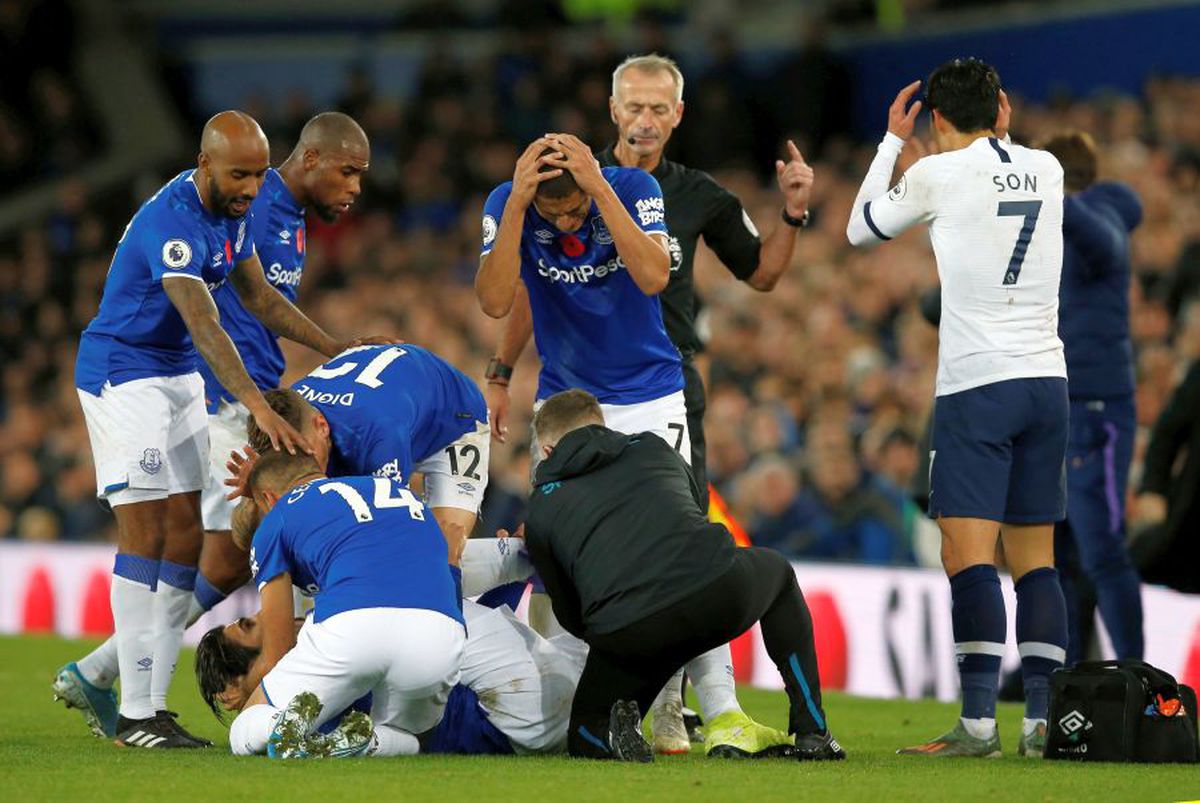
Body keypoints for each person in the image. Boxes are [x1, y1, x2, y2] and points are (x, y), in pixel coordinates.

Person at [60, 111, 386, 749]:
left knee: (186, 537)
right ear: (204, 163)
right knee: (149, 531)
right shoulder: (171, 225)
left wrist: (333, 346)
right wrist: (257, 407)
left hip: (178, 374)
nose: (251, 187)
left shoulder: (237, 215)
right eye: (239, 174)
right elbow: (205, 321)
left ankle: (148, 707)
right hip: (126, 374)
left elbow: (259, 298)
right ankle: (129, 709)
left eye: (260, 174)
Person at [474, 131, 788, 758]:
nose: (565, 221)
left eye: (572, 208)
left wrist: (596, 187)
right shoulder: (508, 203)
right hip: (565, 405)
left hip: (649, 395)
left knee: (681, 543)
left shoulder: (631, 189)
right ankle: (586, 694)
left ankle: (693, 708)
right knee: (567, 544)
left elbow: (652, 275)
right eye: (551, 211)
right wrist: (514, 212)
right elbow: (497, 299)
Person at [847, 59, 1068, 758]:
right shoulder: (1049, 168)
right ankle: (1042, 721)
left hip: (978, 384)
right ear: (1002, 108)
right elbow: (1004, 171)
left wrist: (890, 143)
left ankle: (977, 724)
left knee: (966, 553)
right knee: (1036, 560)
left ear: (937, 120)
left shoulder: (937, 173)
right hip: (1047, 380)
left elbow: (858, 230)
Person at [523, 389, 845, 762]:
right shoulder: (655, 448)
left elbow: (571, 615)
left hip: (630, 629)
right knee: (780, 575)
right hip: (716, 592)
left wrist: (621, 646)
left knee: (583, 733)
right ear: (601, 426)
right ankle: (813, 731)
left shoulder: (541, 509)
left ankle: (612, 734)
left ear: (547, 451)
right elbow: (689, 516)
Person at [224, 450, 466, 759]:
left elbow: (278, 648)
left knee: (244, 729)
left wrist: (253, 694)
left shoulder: (279, 515)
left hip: (353, 627)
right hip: (438, 637)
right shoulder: (402, 493)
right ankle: (364, 743)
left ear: (268, 499)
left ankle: (287, 724)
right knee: (413, 739)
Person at [198, 597, 587, 757]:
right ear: (232, 690)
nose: (274, 617)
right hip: (520, 713)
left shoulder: (320, 664)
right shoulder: (324, 661)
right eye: (252, 627)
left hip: (536, 713)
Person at [239, 343, 491, 569]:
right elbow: (247, 538)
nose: (302, 469)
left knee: (435, 556)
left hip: (454, 422)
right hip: (392, 406)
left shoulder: (377, 436)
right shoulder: (282, 424)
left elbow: (393, 528)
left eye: (306, 455)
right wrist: (255, 497)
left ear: (322, 426)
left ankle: (515, 560)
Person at [1038, 130, 1144, 664]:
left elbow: (1106, 241)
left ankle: (1137, 680)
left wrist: (1049, 195)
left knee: (1102, 550)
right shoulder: (1046, 229)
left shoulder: (1102, 216)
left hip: (1096, 409)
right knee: (1062, 558)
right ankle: (1074, 685)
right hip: (1052, 406)